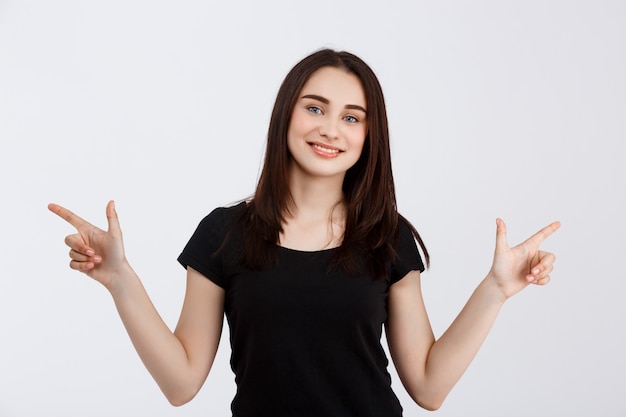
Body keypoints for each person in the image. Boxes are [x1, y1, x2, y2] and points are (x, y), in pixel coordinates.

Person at [48, 48, 559, 416]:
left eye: (351, 118)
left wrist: (496, 290)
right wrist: (119, 279)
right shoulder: (223, 234)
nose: (330, 129)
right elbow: (181, 384)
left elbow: (428, 386)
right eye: (315, 108)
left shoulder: (388, 237)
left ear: (369, 135)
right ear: (286, 115)